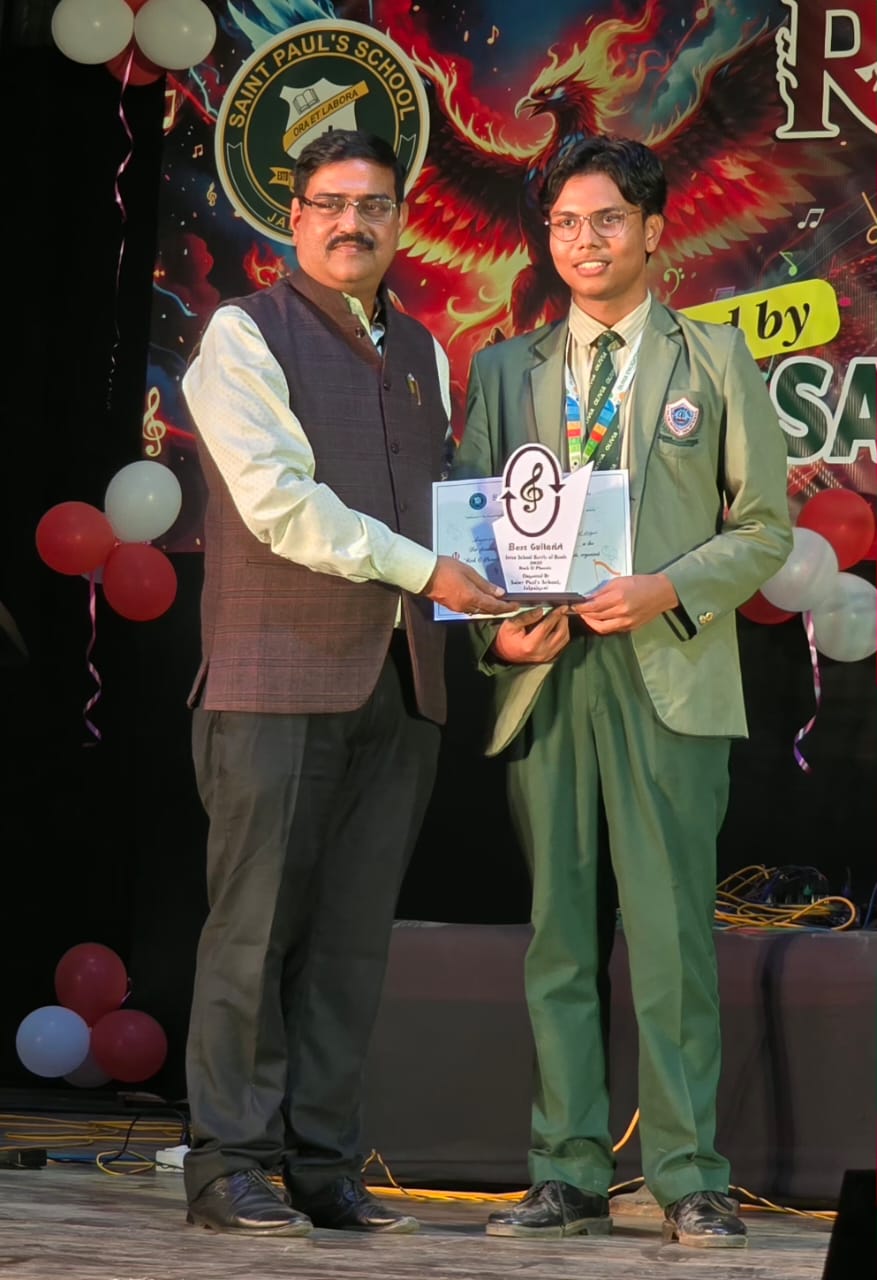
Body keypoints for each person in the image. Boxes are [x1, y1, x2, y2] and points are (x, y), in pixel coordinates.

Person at [452, 135, 792, 1248]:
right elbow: (473, 533)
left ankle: (688, 1173)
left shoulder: (713, 359)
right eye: (564, 223)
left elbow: (764, 528)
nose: (583, 242)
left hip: (667, 671)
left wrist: (667, 588)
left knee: (668, 937)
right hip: (547, 676)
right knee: (557, 935)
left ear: (652, 230)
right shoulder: (504, 370)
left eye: (606, 220)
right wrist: (500, 638)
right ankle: (566, 1169)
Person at [180, 128, 514, 1239]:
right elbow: (279, 505)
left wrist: (514, 599)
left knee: (349, 943)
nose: (351, 223)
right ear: (293, 217)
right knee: (253, 935)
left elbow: (449, 508)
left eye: (373, 205)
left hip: (400, 684)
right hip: (272, 680)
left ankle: (323, 1167)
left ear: (399, 220)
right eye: (329, 203)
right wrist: (430, 570)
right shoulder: (243, 333)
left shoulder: (421, 350)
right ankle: (230, 1165)